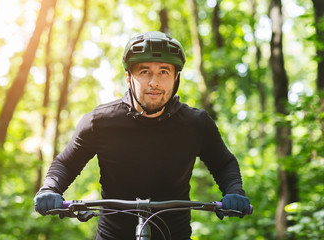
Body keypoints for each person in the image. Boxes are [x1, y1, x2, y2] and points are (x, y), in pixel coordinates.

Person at [34, 31, 250, 240]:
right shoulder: (99, 122)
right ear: (129, 78)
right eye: (144, 71)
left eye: (164, 72)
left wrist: (234, 192)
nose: (154, 82)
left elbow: (224, 164)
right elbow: (66, 164)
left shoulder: (196, 124)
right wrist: (50, 189)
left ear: (176, 79)